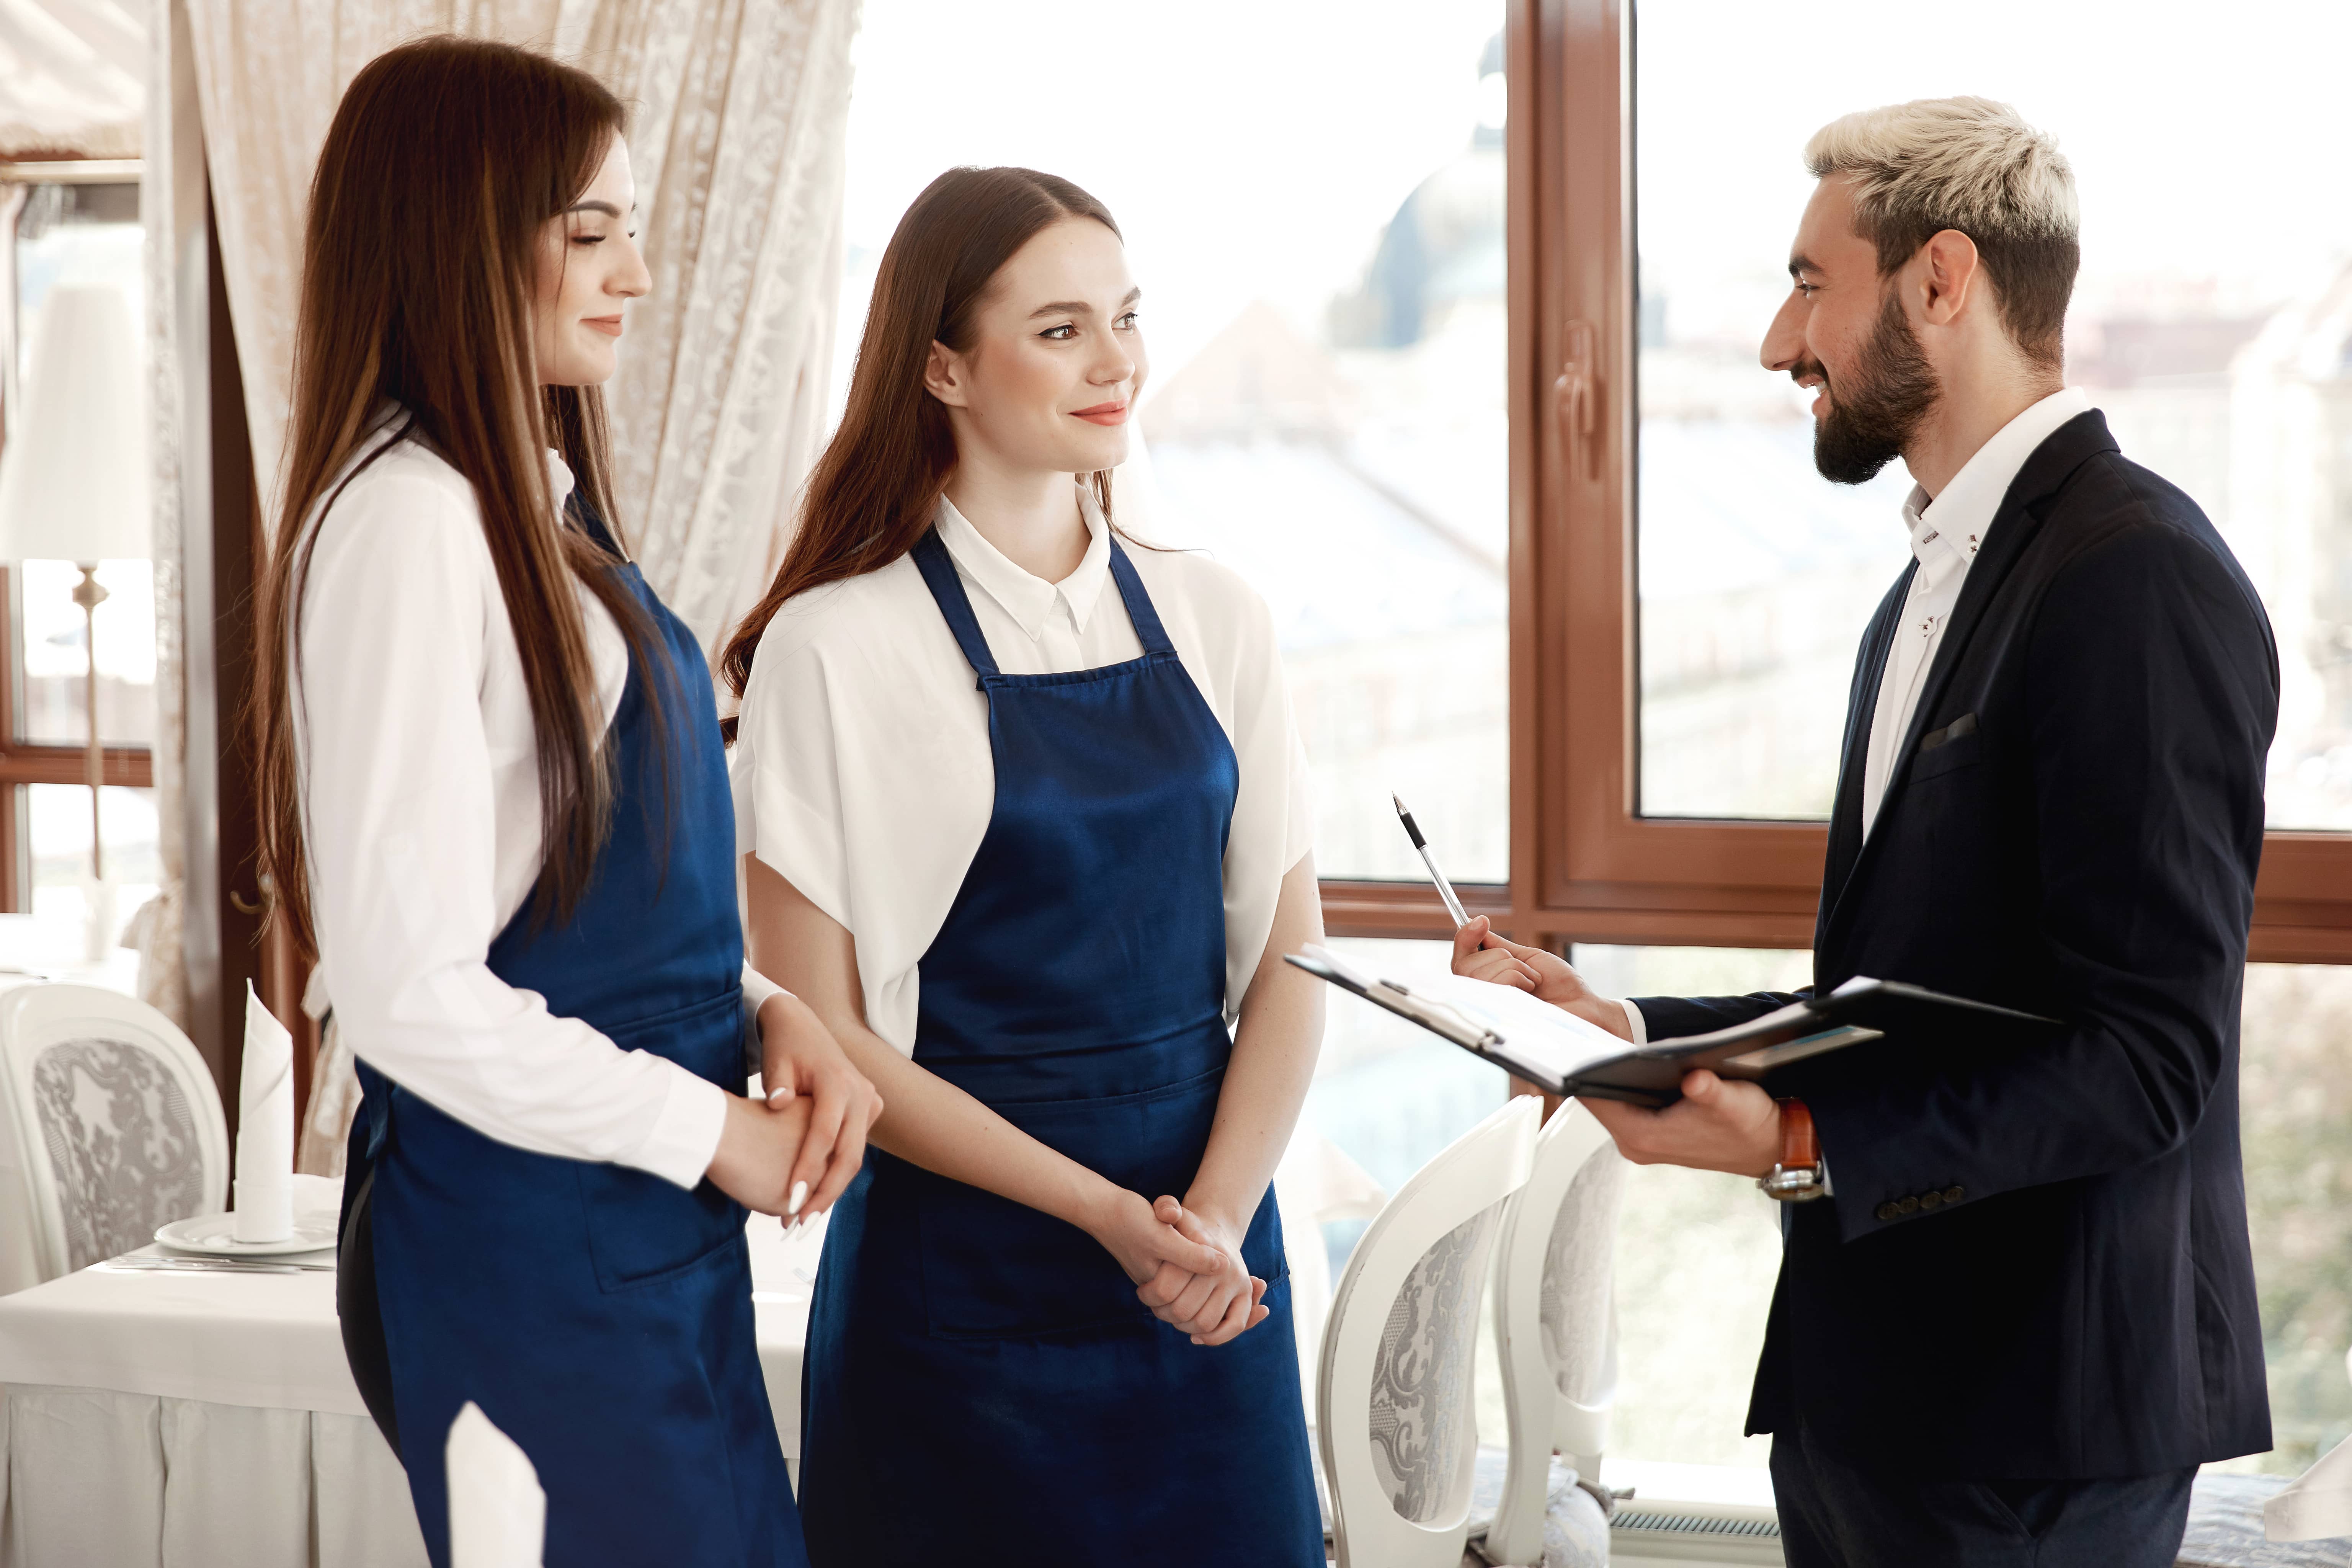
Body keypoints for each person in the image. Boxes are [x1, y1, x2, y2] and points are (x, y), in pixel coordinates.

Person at [1457, 98, 2275, 1567]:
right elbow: (1911, 998)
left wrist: (1798, 1137)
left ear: (1940, 280)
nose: (1783, 342)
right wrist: (1630, 1019)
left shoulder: (2137, 580)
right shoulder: (1923, 594)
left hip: (2034, 1443)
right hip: (1877, 1405)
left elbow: (2148, 1057)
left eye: (1810, 283)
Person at [250, 38, 879, 1567]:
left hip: (633, 1236)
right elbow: (406, 997)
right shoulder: (407, 524)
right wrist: (710, 1131)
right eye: (592, 231)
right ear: (462, 235)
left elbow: (566, 879)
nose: (641, 275)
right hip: (525, 1245)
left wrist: (761, 1008)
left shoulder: (534, 501)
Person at [720, 165, 1326, 1564]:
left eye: (1124, 317)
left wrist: (1212, 1220)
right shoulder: (836, 647)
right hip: (960, 1312)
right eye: (1060, 330)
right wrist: (1110, 1217)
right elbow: (834, 1044)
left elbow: (1292, 962)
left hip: (1210, 1280)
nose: (1116, 361)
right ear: (941, 364)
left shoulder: (1217, 616)